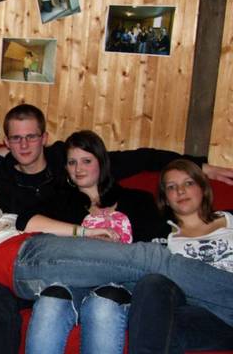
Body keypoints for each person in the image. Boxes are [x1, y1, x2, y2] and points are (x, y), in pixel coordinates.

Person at [0, 104, 233, 354]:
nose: (24, 145)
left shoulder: (131, 198)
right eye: (16, 138)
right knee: (43, 298)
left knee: (114, 294)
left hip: (118, 281)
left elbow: (145, 159)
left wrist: (198, 166)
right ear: (6, 142)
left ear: (44, 138)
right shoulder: (42, 195)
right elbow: (13, 219)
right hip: (58, 273)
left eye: (31, 136)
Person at [0, 194, 233, 335]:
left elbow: (9, 217)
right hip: (25, 258)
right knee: (151, 258)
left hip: (30, 251)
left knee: (148, 279)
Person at [21, 131, 170, 354]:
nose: (78, 169)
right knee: (50, 300)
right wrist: (85, 232)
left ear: (101, 162)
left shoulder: (138, 200)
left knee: (103, 305)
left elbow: (157, 247)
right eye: (72, 162)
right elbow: (25, 221)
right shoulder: (62, 202)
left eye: (86, 161)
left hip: (120, 284)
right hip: (73, 281)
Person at [127, 159, 233, 353]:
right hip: (202, 314)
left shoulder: (230, 219)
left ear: (203, 188)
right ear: (166, 198)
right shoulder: (159, 236)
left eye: (188, 183)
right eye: (171, 187)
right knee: (153, 292)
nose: (180, 191)